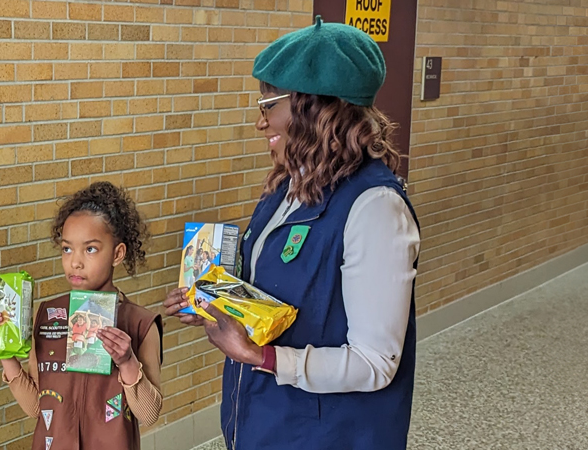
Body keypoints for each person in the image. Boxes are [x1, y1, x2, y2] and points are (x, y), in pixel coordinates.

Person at [160, 18, 421, 449]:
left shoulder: (375, 208)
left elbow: (376, 364)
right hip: (265, 421)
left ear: (315, 108)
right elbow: (272, 296)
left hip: (328, 435)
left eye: (269, 104)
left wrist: (259, 356)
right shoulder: (288, 186)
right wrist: (212, 306)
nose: (261, 121)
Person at [0, 181, 164, 450]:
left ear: (117, 253)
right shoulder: (47, 317)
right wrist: (5, 353)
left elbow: (148, 415)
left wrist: (126, 362)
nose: (75, 261)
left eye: (90, 249)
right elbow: (37, 407)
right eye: (67, 249)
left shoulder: (140, 324)